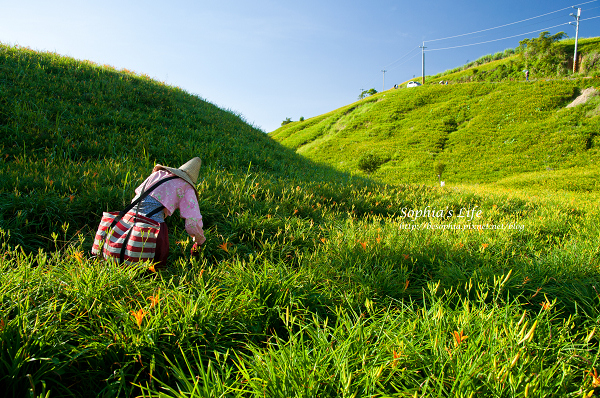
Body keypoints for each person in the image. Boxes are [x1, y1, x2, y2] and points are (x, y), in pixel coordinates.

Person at [132, 157, 206, 269]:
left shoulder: (159, 174)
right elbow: (193, 221)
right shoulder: (187, 188)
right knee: (155, 264)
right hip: (152, 227)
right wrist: (199, 241)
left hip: (128, 218)